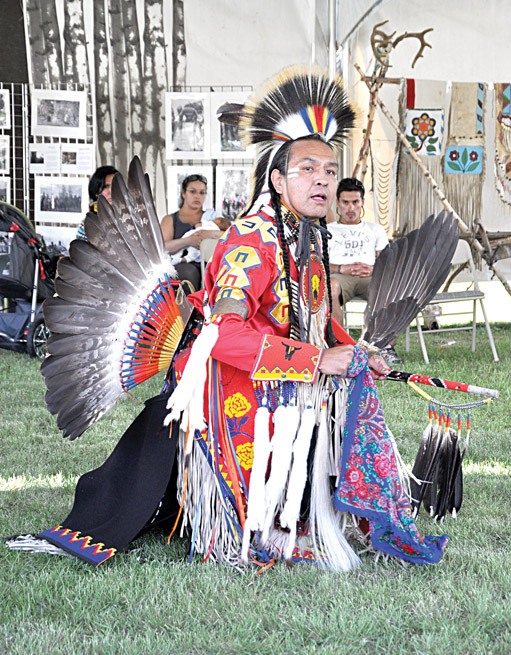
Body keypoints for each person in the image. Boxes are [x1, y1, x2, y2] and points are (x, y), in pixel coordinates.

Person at [17, 67, 447, 570]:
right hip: (228, 383)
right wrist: (317, 360)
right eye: (309, 170)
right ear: (279, 178)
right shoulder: (254, 239)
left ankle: (309, 508)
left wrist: (351, 350)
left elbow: (311, 316)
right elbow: (223, 335)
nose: (323, 181)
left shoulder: (308, 235)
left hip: (279, 372)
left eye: (330, 172)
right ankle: (254, 517)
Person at [328, 177, 403, 365]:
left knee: (392, 286)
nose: (350, 208)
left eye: (355, 202)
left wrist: (374, 269)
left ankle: (385, 346)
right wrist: (341, 268)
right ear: (337, 203)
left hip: (371, 276)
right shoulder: (328, 230)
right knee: (330, 286)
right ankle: (342, 344)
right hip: (340, 276)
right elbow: (317, 263)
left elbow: (387, 261)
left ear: (362, 203)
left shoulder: (374, 229)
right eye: (345, 202)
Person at [160, 174, 230, 291]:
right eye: (193, 191)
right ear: (183, 193)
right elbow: (162, 248)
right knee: (187, 273)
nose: (197, 196)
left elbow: (231, 235)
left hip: (208, 264)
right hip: (182, 265)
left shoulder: (213, 218)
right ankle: (188, 308)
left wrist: (210, 234)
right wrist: (188, 241)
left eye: (202, 193)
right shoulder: (170, 219)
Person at [76, 165, 118, 241]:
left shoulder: (130, 219)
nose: (111, 191)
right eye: (106, 187)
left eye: (115, 186)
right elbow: (81, 250)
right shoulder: (88, 224)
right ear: (97, 191)